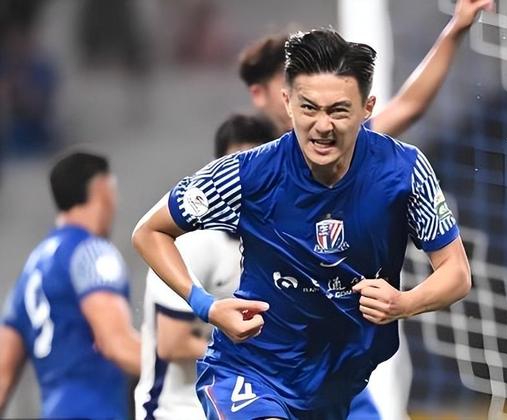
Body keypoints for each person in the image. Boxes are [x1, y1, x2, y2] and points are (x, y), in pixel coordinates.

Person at [133, 28, 471, 420]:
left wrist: (405, 302)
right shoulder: (248, 174)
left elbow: (457, 273)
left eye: (338, 111)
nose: (322, 126)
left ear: (367, 108)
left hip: (336, 385)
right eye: (309, 108)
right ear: (287, 103)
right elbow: (149, 231)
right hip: (252, 373)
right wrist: (206, 306)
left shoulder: (404, 171)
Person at [238, 1, 492, 417]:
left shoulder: (350, 148)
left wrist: (457, 27)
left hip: (334, 360)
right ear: (270, 94)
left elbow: (409, 107)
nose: (318, 103)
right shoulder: (244, 165)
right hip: (267, 359)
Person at [134, 114, 277, 420]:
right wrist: (261, 352)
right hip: (175, 410)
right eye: (235, 166)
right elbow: (173, 342)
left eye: (256, 166)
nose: (246, 179)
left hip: (234, 407)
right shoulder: (193, 241)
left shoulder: (274, 244)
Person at [0, 152, 141, 418]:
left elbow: (2, 380)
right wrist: (188, 367)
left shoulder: (28, 273)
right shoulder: (91, 253)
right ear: (102, 189)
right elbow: (117, 345)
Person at [239, 0, 495, 136]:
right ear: (259, 94)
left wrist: (456, 28)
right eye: (289, 82)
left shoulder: (337, 141)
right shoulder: (242, 158)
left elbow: (408, 107)